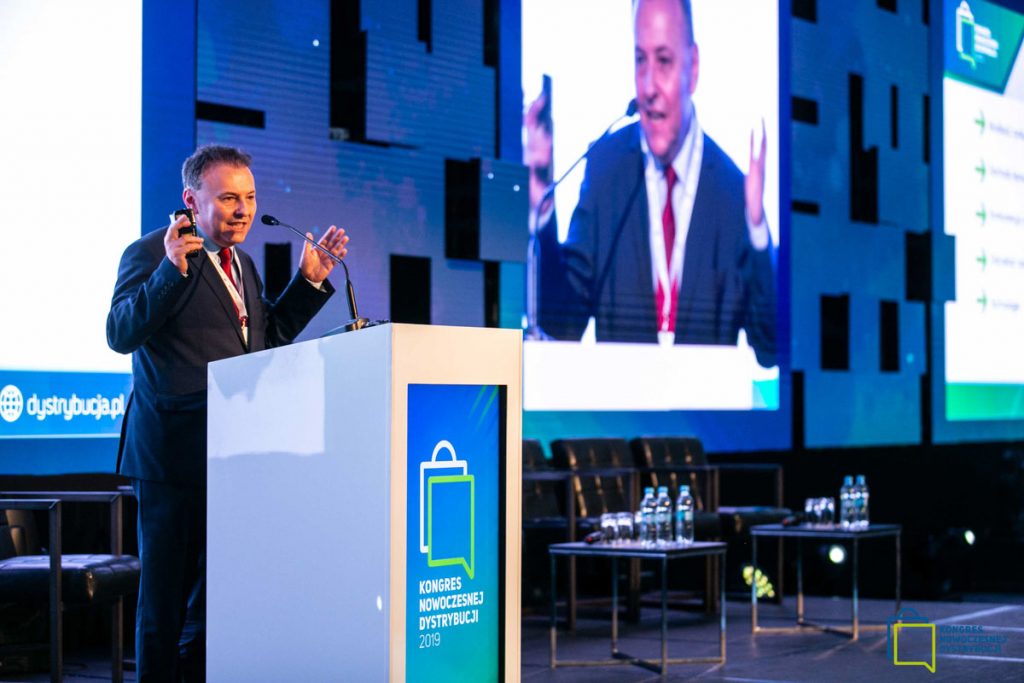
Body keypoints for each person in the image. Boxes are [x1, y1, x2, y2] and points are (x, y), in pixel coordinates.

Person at [106, 145, 349, 681]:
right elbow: (120, 333)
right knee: (164, 604)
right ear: (192, 200)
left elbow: (264, 344)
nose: (243, 210)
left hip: (233, 457)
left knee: (217, 602)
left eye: (250, 197)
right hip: (171, 457)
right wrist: (170, 271)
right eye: (228, 198)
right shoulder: (148, 253)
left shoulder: (243, 265)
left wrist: (309, 282)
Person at [531, 0, 777, 367]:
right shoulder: (605, 170)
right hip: (622, 404)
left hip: (704, 407)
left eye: (663, 61)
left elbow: (769, 348)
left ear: (693, 68)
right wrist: (541, 198)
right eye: (640, 60)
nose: (648, 86)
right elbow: (562, 324)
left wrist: (756, 228)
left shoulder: (732, 192)